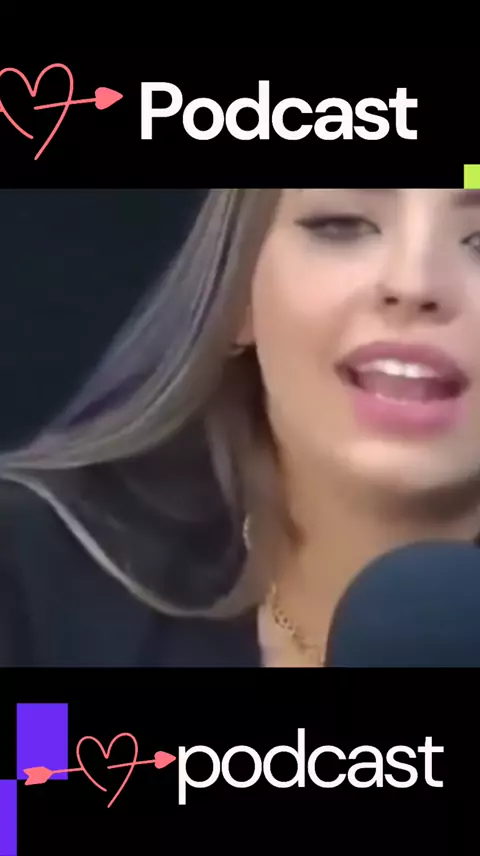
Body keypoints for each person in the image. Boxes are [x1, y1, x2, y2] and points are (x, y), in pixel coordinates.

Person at [1, 187, 480, 668]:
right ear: (238, 294)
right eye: (342, 224)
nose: (414, 284)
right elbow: (38, 725)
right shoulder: (32, 582)